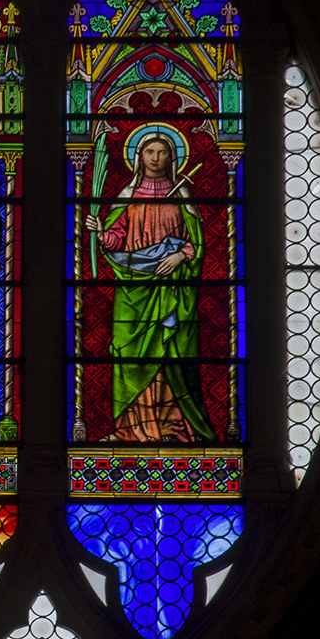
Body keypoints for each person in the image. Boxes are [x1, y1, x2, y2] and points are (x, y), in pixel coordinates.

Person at [84, 128, 210, 442]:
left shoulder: (182, 196)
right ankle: (129, 429)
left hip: (171, 287)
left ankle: (172, 427)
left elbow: (196, 243)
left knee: (168, 354)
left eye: (162, 152)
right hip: (133, 288)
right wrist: (100, 232)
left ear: (172, 158)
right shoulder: (126, 196)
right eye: (149, 152)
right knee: (129, 354)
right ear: (138, 157)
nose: (155, 159)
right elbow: (116, 241)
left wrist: (180, 256)